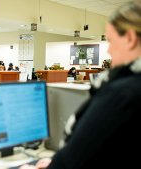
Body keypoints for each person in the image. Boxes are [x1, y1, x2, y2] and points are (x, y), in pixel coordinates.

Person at [20, 1, 141, 169]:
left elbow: (77, 156)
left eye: (111, 41)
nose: (108, 50)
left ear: (130, 39)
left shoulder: (122, 93)